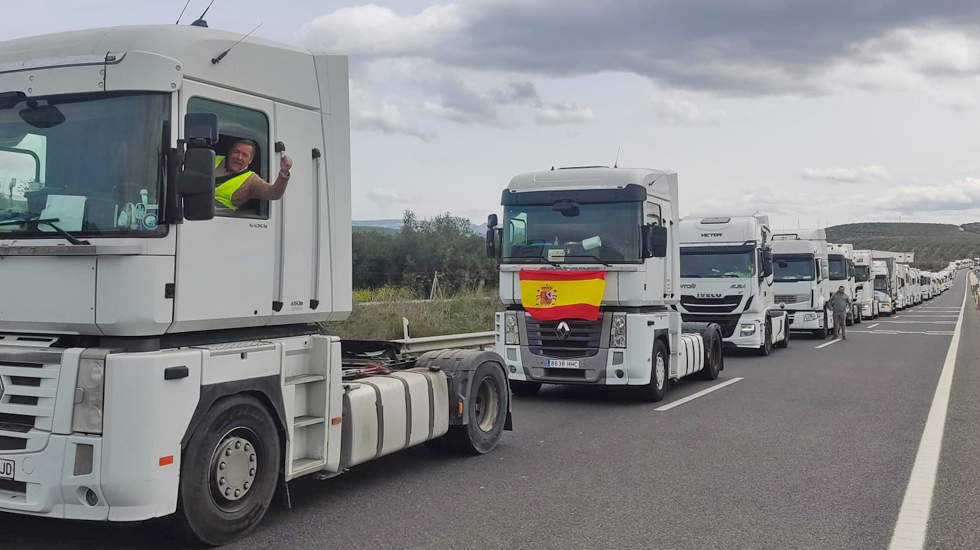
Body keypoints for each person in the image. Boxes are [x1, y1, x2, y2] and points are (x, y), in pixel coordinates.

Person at [214, 139, 293, 210]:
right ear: (230, 152)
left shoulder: (251, 180)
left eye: (245, 155)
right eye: (236, 152)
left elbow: (274, 193)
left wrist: (284, 172)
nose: (239, 157)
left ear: (250, 160)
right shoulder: (212, 159)